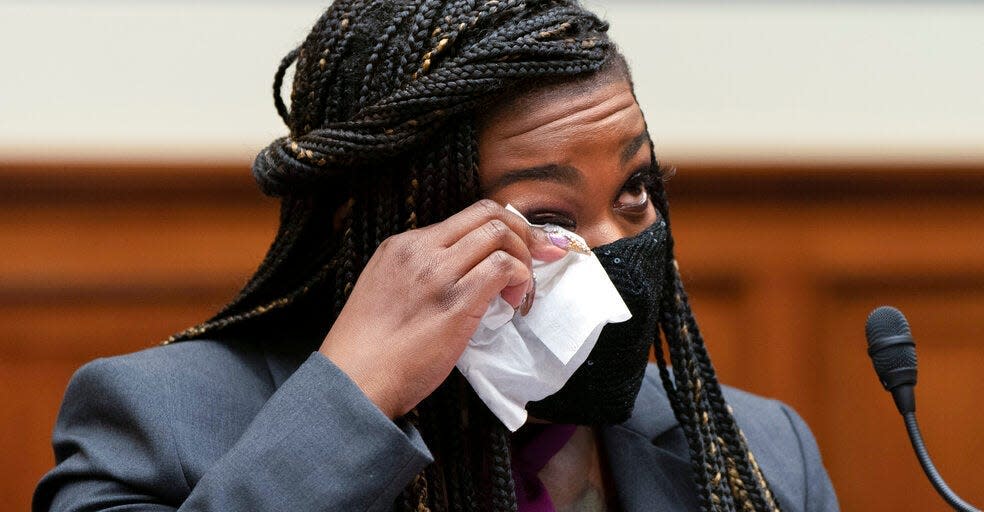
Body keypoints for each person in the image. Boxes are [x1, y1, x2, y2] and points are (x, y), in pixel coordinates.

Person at [34, 1, 839, 511]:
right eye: (547, 215)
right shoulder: (157, 419)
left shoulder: (764, 450)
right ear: (386, 226)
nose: (617, 258)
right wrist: (354, 394)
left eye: (636, 190)